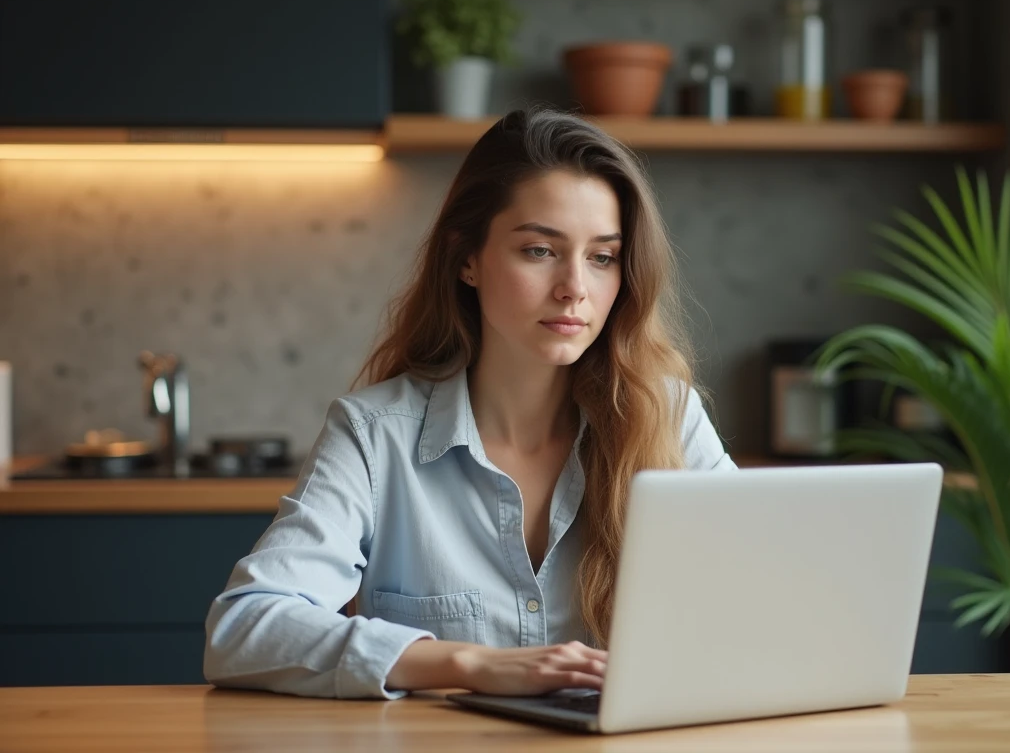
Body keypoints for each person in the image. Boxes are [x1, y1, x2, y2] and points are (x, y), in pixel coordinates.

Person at [203, 107, 735, 700]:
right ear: (467, 259)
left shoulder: (667, 418)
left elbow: (768, 602)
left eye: (602, 257)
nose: (575, 288)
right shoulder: (375, 436)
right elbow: (243, 629)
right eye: (539, 250)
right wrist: (467, 665)